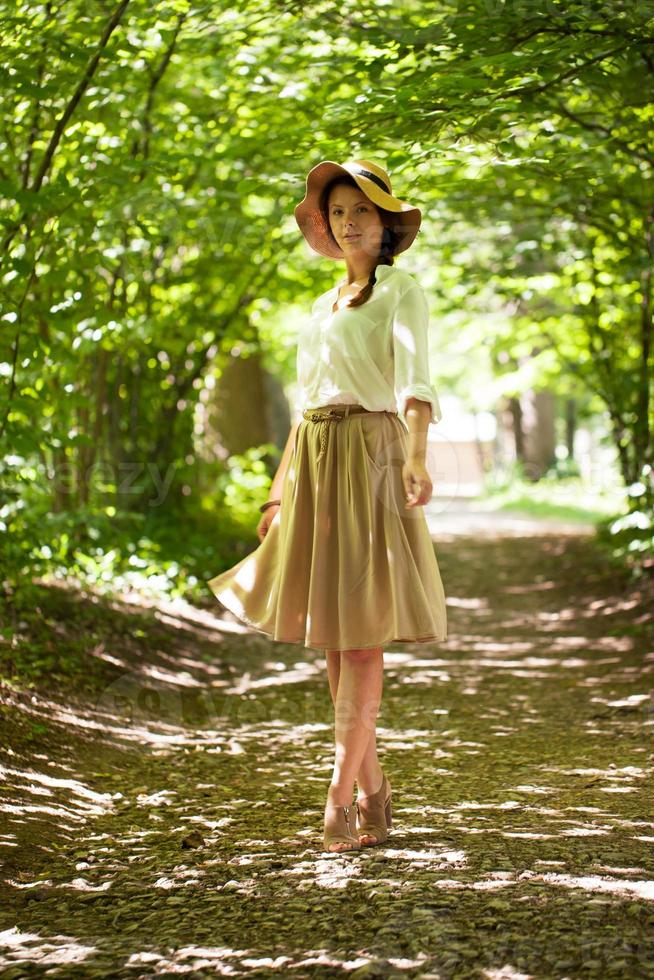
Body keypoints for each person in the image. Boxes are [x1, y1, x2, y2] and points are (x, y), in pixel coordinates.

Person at [207, 158, 447, 854]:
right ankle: (373, 788)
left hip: (371, 455)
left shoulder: (401, 290)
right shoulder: (321, 307)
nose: (347, 223)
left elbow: (415, 381)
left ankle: (337, 796)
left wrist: (417, 455)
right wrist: (281, 490)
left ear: (387, 225)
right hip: (314, 460)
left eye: (362, 212)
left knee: (363, 633)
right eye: (338, 213)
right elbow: (307, 404)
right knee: (333, 640)